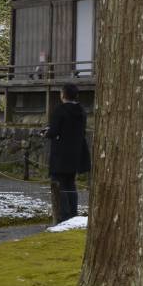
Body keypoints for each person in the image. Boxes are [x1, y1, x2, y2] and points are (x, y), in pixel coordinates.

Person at [43, 83, 90, 222]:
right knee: (70, 183)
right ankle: (73, 214)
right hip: (76, 152)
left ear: (63, 94)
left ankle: (63, 216)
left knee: (59, 184)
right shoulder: (81, 111)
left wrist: (46, 133)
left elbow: (54, 131)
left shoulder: (60, 110)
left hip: (61, 153)